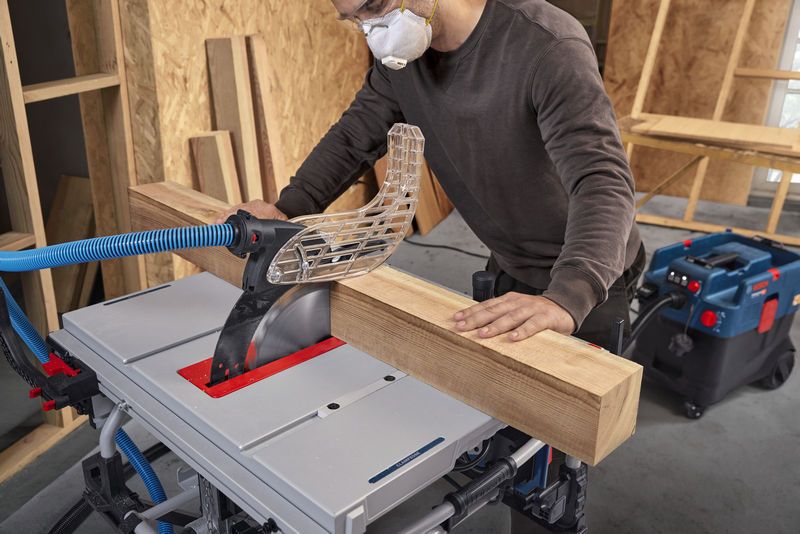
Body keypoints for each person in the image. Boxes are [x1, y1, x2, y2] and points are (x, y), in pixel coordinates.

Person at [217, 1, 645, 530]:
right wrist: (286, 209)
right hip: (511, 261)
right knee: (502, 422)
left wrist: (569, 296)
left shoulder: (546, 46)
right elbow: (355, 136)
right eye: (354, 19)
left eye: (374, 7)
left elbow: (602, 181)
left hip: (587, 275)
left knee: (553, 464)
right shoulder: (404, 61)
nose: (371, 30)